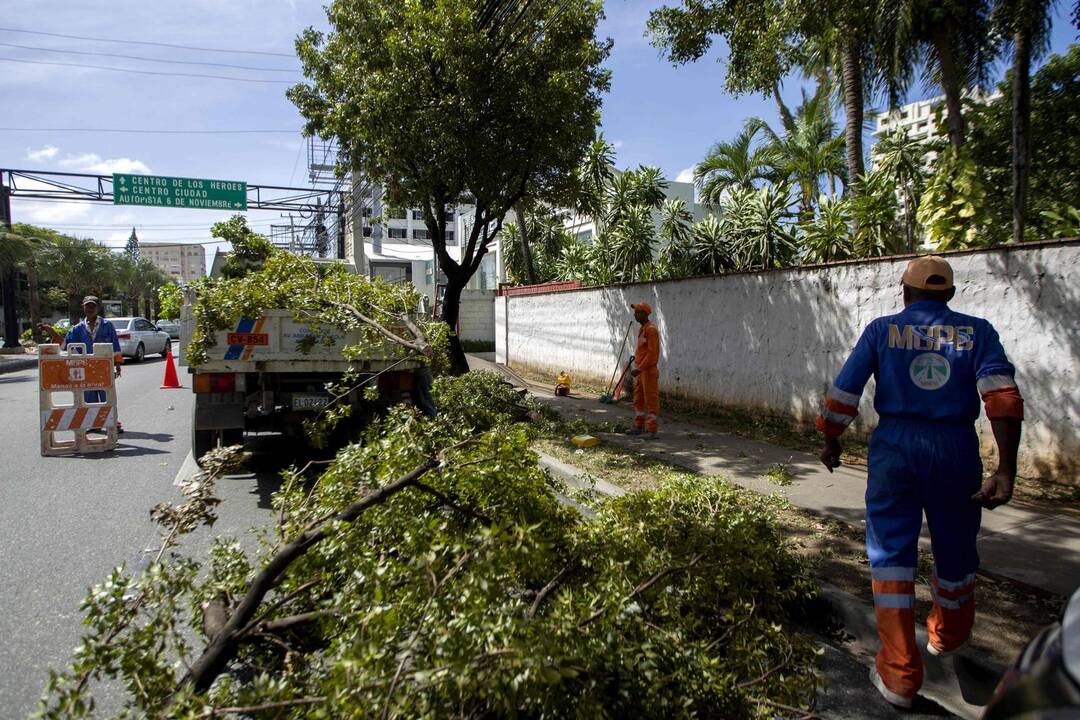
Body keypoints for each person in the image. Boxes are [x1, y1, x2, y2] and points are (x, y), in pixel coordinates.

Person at [815, 256, 1024, 709]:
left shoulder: (880, 331)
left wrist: (831, 439)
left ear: (904, 292)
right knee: (956, 548)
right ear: (948, 294)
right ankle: (947, 636)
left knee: (890, 556)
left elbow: (844, 393)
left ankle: (899, 675)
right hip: (955, 450)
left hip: (895, 448)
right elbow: (1002, 398)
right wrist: (1005, 469)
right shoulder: (978, 331)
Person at [40, 296, 124, 432]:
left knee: (107, 397)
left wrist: (118, 364)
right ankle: (93, 423)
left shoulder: (107, 326)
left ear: (98, 308)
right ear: (83, 307)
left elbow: (115, 346)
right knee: (89, 398)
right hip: (86, 371)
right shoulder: (77, 329)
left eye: (92, 306)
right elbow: (65, 345)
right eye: (87, 306)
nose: (90, 308)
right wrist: (52, 332)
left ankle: (112, 423)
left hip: (104, 370)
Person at [628, 302, 661, 436]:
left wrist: (640, 368)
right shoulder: (643, 329)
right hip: (641, 370)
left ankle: (651, 429)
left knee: (651, 399)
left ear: (644, 314)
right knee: (638, 398)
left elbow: (652, 354)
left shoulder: (651, 330)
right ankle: (639, 426)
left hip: (647, 370)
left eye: (637, 312)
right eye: (635, 312)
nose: (635, 315)